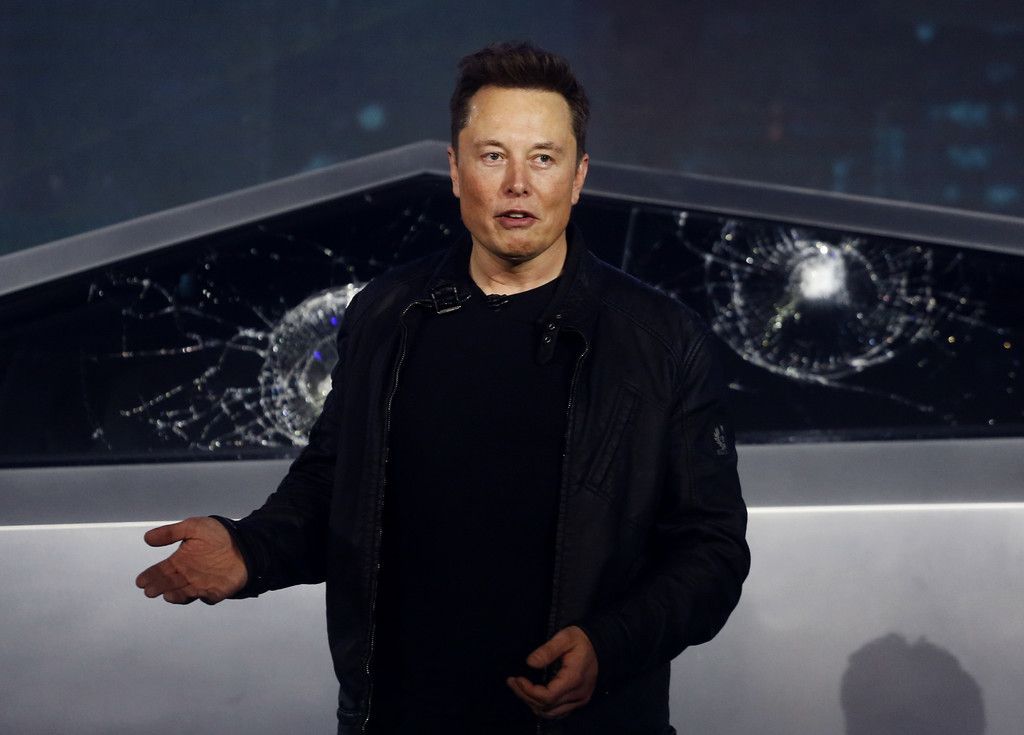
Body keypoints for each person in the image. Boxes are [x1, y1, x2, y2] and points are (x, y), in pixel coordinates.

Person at [136, 41, 750, 734]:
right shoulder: (386, 314)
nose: (517, 184)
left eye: (542, 158)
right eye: (492, 156)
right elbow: (333, 489)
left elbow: (712, 549)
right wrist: (249, 550)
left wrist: (611, 647)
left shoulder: (662, 339)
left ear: (578, 176)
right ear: (455, 171)